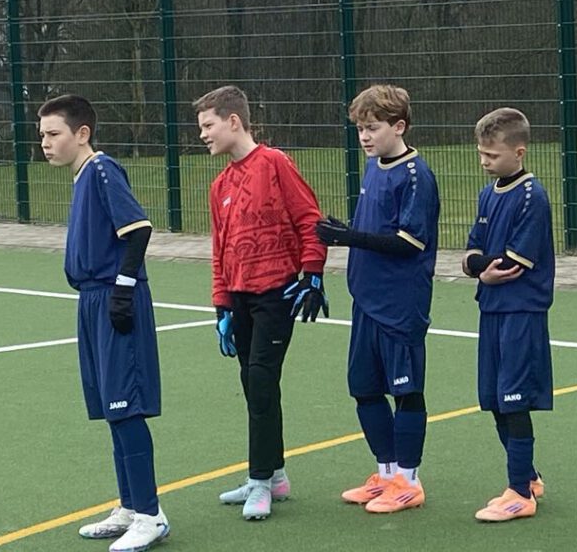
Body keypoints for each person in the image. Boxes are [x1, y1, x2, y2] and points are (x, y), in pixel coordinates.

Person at [37, 94, 169, 552]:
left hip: (114, 301)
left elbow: (139, 230)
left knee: (125, 406)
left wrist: (123, 290)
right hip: (91, 303)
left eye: (54, 134)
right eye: (42, 135)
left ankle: (150, 515)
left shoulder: (102, 170)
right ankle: (130, 506)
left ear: (82, 134)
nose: (45, 143)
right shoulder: (81, 178)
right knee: (112, 408)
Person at [196, 85, 328, 521]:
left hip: (276, 293)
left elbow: (309, 219)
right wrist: (221, 305)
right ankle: (276, 475)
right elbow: (220, 249)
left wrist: (312, 274)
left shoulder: (274, 163)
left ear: (234, 121)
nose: (203, 134)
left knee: (262, 379)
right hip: (240, 298)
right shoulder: (219, 185)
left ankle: (259, 480)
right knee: (254, 385)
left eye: (208, 125)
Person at [315, 84, 439, 514]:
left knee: (406, 391)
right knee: (364, 389)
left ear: (398, 126)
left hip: (400, 303)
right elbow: (373, 230)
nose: (364, 137)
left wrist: (348, 238)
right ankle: (385, 474)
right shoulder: (374, 167)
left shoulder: (416, 175)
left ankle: (409, 480)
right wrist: (347, 231)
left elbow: (407, 242)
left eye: (372, 128)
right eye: (360, 129)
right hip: (366, 301)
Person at [461, 108, 554, 522]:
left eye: (492, 155)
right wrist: (479, 267)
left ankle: (519, 493)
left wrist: (481, 265)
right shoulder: (487, 194)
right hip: (491, 308)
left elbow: (513, 262)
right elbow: (471, 252)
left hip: (521, 311)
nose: (485, 162)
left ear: (519, 152)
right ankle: (528, 476)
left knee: (514, 399)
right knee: (495, 399)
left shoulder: (533, 197)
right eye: (481, 154)